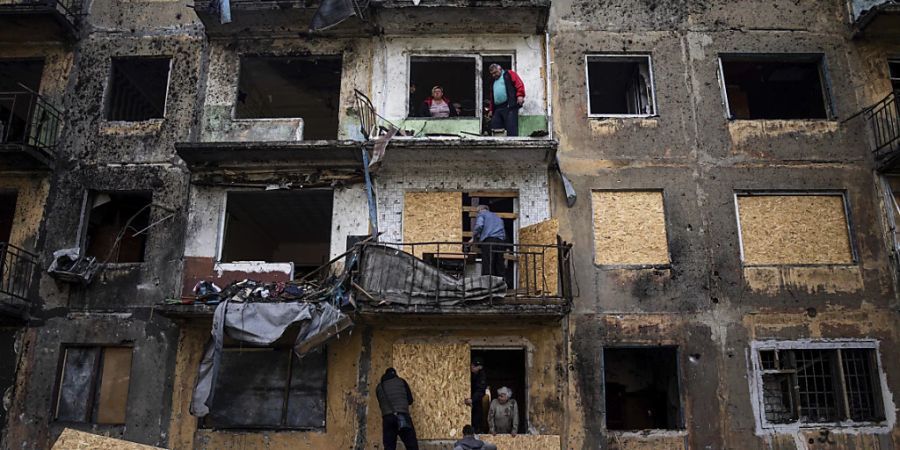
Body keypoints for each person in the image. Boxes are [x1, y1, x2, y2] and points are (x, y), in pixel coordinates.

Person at [376, 368, 419, 450]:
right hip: (402, 416)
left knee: (389, 447)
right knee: (411, 445)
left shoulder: (379, 387)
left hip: (387, 418)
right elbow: (410, 400)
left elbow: (381, 404)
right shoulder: (401, 381)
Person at [488, 63, 526, 136]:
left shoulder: (509, 74)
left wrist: (520, 95)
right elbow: (492, 96)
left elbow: (519, 83)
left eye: (495, 72)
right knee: (495, 128)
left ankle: (513, 146)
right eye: (492, 74)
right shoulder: (493, 81)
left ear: (500, 69)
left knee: (511, 129)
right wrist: (491, 109)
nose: (494, 75)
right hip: (497, 108)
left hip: (509, 106)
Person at [471, 204, 506, 278]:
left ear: (480, 210)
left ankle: (488, 284)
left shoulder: (482, 214)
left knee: (488, 262)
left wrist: (474, 236)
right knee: (499, 262)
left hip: (489, 241)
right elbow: (503, 232)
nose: (478, 213)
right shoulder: (498, 217)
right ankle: (500, 282)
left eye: (477, 212)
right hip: (500, 241)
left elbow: (479, 226)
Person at [465, 357, 489, 433]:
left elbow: (480, 391)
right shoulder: (469, 374)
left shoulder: (482, 376)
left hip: (476, 401)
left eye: (475, 366)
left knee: (476, 417)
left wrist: (472, 399)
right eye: (472, 365)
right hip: (471, 399)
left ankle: (477, 431)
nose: (472, 367)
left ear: (480, 367)